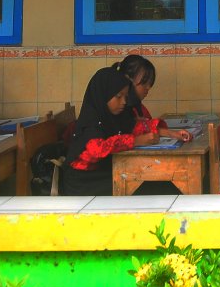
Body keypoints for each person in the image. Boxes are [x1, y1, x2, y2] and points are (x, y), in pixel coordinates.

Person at [62, 66, 161, 196]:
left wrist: (170, 133)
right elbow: (98, 149)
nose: (124, 102)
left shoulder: (111, 118)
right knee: (145, 186)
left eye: (126, 96)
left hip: (101, 174)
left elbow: (134, 127)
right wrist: (136, 141)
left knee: (150, 181)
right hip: (82, 183)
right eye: (118, 96)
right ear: (103, 95)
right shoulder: (91, 122)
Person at [114, 54, 193, 143]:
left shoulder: (139, 108)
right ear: (128, 80)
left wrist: (172, 133)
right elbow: (128, 129)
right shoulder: (117, 108)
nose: (148, 88)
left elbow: (144, 126)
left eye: (150, 84)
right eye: (144, 83)